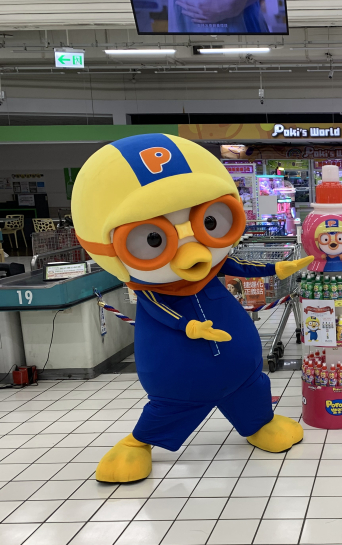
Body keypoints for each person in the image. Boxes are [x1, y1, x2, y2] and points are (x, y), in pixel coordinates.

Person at [71, 133, 313, 483]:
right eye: (154, 238)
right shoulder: (152, 290)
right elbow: (158, 308)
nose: (195, 254)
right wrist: (189, 327)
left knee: (250, 391)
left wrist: (277, 267)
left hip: (241, 372)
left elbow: (239, 265)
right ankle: (138, 443)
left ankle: (259, 422)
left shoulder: (215, 265)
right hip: (179, 373)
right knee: (173, 403)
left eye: (209, 222)